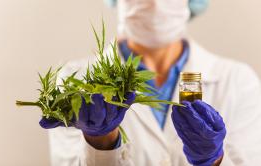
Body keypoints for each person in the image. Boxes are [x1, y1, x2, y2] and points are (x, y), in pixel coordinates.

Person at [40, 0, 261, 165]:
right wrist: (100, 143)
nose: (155, 2)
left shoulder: (238, 82)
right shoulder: (76, 83)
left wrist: (215, 160)